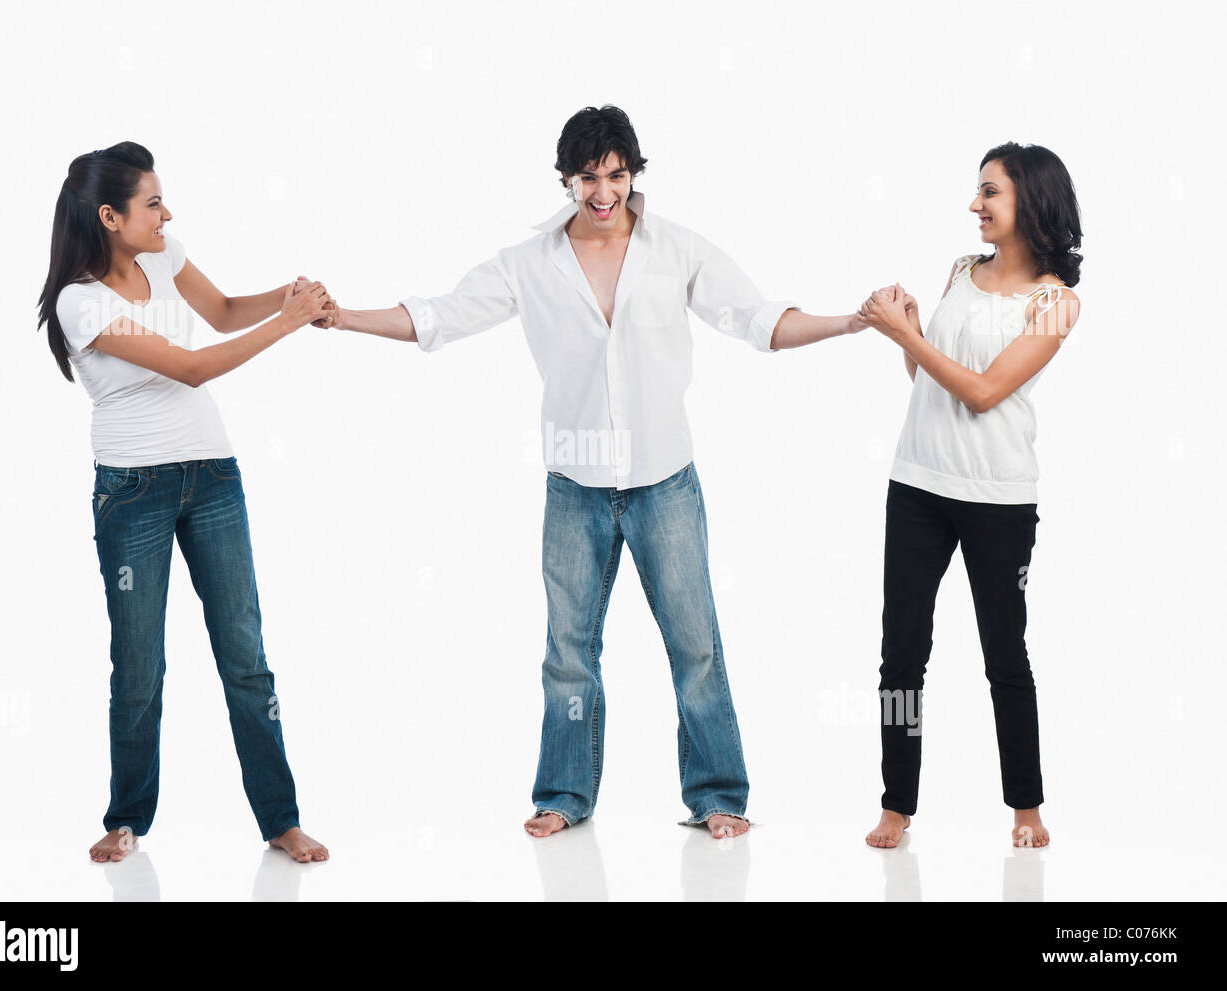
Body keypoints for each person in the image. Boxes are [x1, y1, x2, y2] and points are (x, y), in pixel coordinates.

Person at [324, 105, 871, 838]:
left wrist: (851, 322)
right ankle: (564, 794)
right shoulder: (529, 261)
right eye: (589, 177)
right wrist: (343, 316)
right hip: (574, 489)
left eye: (617, 174)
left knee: (695, 644)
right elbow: (439, 317)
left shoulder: (677, 249)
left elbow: (758, 319)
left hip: (664, 481)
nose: (604, 191)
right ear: (567, 180)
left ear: (634, 174)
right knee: (567, 654)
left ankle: (718, 797)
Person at [37, 141, 334, 863]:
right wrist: (290, 325)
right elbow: (194, 367)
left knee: (246, 654)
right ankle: (126, 817)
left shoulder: (165, 256)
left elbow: (227, 311)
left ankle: (281, 818)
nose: (167, 213)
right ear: (109, 217)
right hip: (133, 491)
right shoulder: (81, 302)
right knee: (140, 664)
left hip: (212, 477)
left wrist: (289, 298)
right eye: (152, 204)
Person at [858, 142, 1082, 849]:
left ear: (1031, 204)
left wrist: (905, 336)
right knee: (901, 653)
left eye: (991, 193)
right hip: (918, 483)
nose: (975, 205)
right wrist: (915, 330)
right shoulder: (961, 269)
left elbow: (984, 394)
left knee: (1004, 653)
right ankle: (897, 805)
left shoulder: (1056, 303)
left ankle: (1027, 807)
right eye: (976, 191)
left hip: (998, 499)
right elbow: (928, 380)